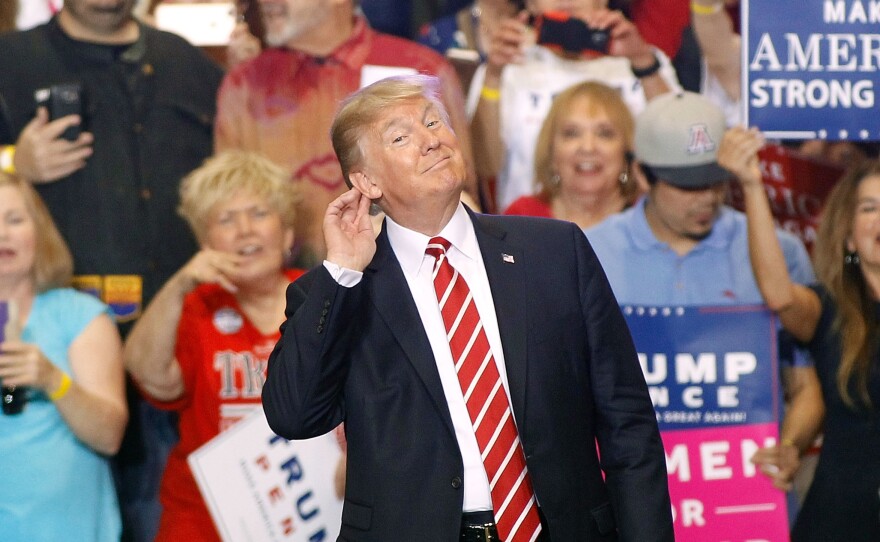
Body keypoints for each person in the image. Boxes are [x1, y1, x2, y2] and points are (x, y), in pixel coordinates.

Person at [262, 74, 673, 540]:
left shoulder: (555, 252)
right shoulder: (339, 289)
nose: (431, 140)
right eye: (401, 137)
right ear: (366, 180)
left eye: (434, 121)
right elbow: (294, 415)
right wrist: (343, 274)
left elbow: (628, 425)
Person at [0, 2, 224, 540]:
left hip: (176, 350)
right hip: (57, 338)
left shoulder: (185, 61)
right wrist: (12, 162)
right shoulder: (11, 60)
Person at [123, 151, 306, 542]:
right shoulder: (194, 307)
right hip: (204, 518)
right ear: (205, 243)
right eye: (226, 219)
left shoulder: (323, 298)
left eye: (258, 213)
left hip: (310, 510)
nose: (245, 231)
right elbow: (148, 374)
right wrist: (179, 285)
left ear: (287, 233)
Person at [216, 0, 481, 270]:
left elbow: (461, 190)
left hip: (411, 279)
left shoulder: (418, 69)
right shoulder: (246, 85)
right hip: (284, 297)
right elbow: (224, 208)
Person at [727, 126, 880, 541]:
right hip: (841, 520)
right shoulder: (827, 308)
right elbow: (778, 294)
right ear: (848, 233)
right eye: (869, 208)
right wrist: (752, 185)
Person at [0, 172, 128, 542]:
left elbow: (109, 436)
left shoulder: (80, 315)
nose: (3, 234)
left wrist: (52, 380)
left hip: (65, 528)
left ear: (39, 233)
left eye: (15, 220)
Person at [469, 0, 680, 211]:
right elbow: (484, 167)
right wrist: (494, 76)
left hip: (632, 227)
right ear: (530, 5)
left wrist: (643, 63)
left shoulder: (645, 61)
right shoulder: (507, 68)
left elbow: (679, 149)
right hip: (531, 228)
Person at [504, 80, 641, 228]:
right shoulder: (521, 217)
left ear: (627, 150)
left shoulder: (650, 220)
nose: (588, 147)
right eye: (572, 134)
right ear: (551, 151)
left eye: (604, 134)